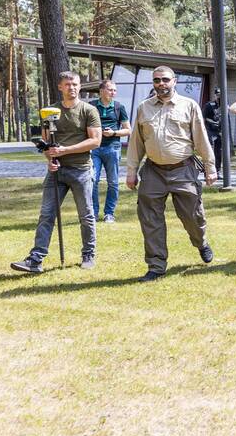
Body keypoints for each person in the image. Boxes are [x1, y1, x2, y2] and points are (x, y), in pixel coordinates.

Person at [124, 66, 218, 282]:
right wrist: (132, 172)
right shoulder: (143, 108)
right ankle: (156, 265)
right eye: (157, 80)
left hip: (183, 169)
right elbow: (136, 143)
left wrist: (210, 167)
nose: (161, 84)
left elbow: (202, 139)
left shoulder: (189, 106)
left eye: (165, 80)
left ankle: (201, 242)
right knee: (150, 219)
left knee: (193, 216)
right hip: (153, 171)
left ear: (174, 81)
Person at [10, 71, 102, 274]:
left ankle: (88, 254)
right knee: (46, 215)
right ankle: (35, 259)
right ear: (60, 87)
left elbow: (95, 141)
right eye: (68, 84)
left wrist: (65, 150)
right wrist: (51, 159)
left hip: (81, 170)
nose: (72, 88)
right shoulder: (50, 112)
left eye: (75, 84)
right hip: (56, 172)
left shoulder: (89, 110)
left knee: (86, 215)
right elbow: (46, 145)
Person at [90, 79, 131, 222]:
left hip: (112, 148)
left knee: (113, 182)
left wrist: (113, 133)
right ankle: (93, 213)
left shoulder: (119, 107)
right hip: (94, 148)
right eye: (110, 89)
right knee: (92, 180)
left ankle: (109, 214)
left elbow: (127, 130)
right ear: (101, 91)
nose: (113, 92)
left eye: (114, 90)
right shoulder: (91, 106)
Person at [202, 89, 223, 180]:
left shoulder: (225, 105)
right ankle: (207, 172)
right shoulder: (209, 105)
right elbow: (203, 118)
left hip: (220, 132)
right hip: (210, 131)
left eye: (220, 95)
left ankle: (217, 171)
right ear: (215, 95)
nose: (219, 96)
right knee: (210, 152)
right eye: (217, 95)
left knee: (219, 153)